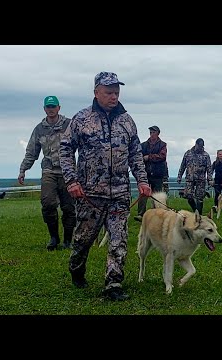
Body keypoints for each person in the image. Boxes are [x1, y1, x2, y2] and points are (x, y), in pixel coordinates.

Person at [59, 71, 151, 301]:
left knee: (118, 240)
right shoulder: (81, 119)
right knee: (83, 240)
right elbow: (65, 150)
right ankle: (76, 269)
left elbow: (136, 154)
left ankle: (113, 284)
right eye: (109, 92)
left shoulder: (127, 121)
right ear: (96, 93)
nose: (114, 96)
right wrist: (71, 181)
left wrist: (142, 180)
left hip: (119, 193)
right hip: (90, 193)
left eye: (116, 92)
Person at [18, 95, 76, 251]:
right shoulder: (39, 129)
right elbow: (31, 152)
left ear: (59, 108)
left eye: (53, 106)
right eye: (48, 107)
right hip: (49, 170)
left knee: (69, 207)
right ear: (44, 109)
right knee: (48, 203)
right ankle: (54, 238)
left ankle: (68, 240)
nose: (51, 109)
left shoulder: (70, 125)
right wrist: (23, 169)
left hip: (67, 171)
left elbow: (83, 145)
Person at [134, 125, 167, 222]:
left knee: (157, 196)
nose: (151, 134)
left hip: (157, 174)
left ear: (158, 133)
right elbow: (138, 156)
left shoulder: (163, 145)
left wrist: (149, 157)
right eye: (150, 132)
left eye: (153, 132)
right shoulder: (143, 145)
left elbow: (162, 156)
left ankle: (158, 214)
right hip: (146, 174)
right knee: (143, 194)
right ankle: (141, 214)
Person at [177, 138, 213, 215]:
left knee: (200, 198)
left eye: (202, 146)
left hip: (201, 179)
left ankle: (199, 214)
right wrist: (179, 176)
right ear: (196, 144)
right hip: (190, 178)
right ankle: (195, 210)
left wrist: (210, 179)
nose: (201, 148)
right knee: (188, 195)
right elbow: (183, 165)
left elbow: (209, 168)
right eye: (199, 146)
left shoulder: (206, 155)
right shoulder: (188, 153)